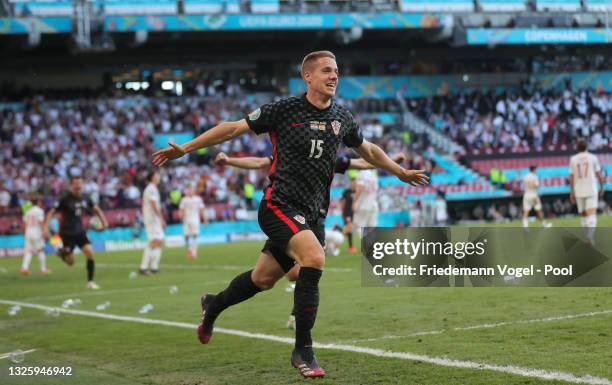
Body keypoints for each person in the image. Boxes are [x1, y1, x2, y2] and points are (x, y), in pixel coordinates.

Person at [153, 50, 429, 378]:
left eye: (337, 71)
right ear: (308, 77)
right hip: (278, 206)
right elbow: (232, 129)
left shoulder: (342, 117)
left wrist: (399, 172)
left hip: (314, 215)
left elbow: (366, 150)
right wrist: (186, 147)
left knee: (263, 279)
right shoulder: (284, 110)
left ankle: (213, 305)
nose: (334, 76)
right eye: (327, 70)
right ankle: (304, 351)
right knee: (314, 258)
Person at [43, 176, 108, 290]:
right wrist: (45, 228)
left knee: (90, 252)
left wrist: (105, 223)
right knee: (70, 262)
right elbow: (51, 213)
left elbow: (96, 209)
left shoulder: (86, 197)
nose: (78, 186)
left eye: (80, 183)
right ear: (71, 185)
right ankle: (61, 252)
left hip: (80, 231)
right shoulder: (64, 198)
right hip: (66, 233)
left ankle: (90, 282)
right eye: (76, 184)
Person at [569, 139, 604, 242]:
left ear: (577, 148)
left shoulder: (573, 159)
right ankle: (590, 237)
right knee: (591, 214)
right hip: (591, 189)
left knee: (583, 215)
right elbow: (599, 175)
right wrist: (602, 187)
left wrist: (572, 192)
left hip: (579, 190)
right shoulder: (593, 158)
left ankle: (588, 237)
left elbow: (571, 177)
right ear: (587, 147)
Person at [140, 171, 165, 275]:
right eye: (157, 175)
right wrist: (161, 218)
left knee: (159, 241)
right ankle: (143, 267)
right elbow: (154, 205)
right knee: (154, 242)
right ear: (152, 177)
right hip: (152, 219)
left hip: (153, 219)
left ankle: (154, 267)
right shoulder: (151, 189)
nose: (158, 177)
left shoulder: (153, 188)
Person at [20, 194, 48, 275]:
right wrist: (45, 231)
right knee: (41, 250)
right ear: (38, 202)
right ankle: (43, 269)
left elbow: (25, 223)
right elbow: (40, 222)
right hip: (37, 232)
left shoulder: (28, 211)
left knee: (29, 251)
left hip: (28, 232)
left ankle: (24, 268)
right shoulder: (39, 211)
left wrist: (25, 232)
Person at [179, 185, 208, 260]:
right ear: (187, 191)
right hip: (186, 220)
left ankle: (194, 252)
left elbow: (202, 209)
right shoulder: (184, 199)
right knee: (186, 236)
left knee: (195, 235)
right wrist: (181, 216)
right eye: (189, 190)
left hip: (195, 219)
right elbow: (181, 209)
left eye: (192, 190)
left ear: (194, 191)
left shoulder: (198, 199)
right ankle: (189, 249)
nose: (190, 191)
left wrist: (205, 219)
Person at [352, 169, 379, 239]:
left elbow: (360, 188)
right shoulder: (373, 173)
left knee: (358, 225)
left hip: (364, 204)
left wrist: (354, 202)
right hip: (373, 203)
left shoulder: (362, 173)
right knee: (372, 227)